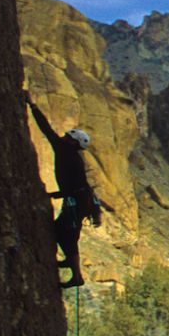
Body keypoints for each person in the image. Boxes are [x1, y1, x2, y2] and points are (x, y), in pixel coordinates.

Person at [26, 92, 112, 289]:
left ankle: (77, 275)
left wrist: (33, 105)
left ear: (73, 141)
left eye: (67, 136)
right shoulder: (73, 155)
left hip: (78, 200)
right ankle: (70, 264)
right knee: (63, 230)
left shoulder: (65, 150)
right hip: (82, 200)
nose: (63, 137)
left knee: (66, 232)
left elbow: (46, 130)